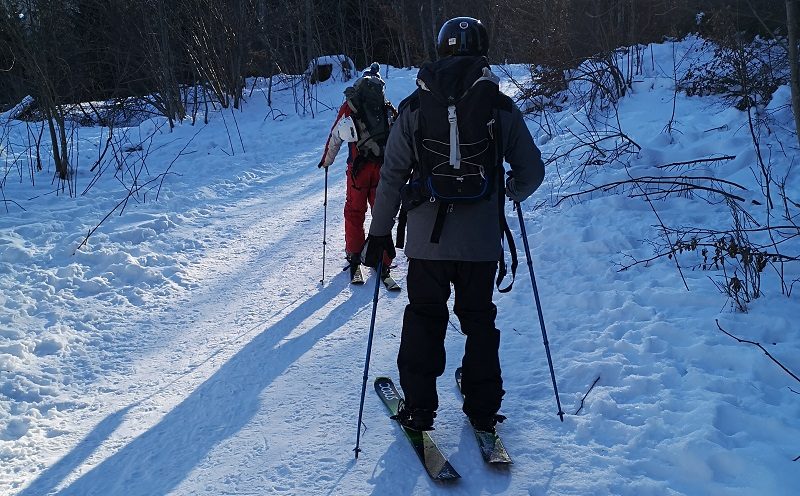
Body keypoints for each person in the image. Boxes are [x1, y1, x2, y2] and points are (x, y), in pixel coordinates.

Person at [361, 17, 546, 433]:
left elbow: (392, 175)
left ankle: (421, 409)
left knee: (425, 317)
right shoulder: (499, 106)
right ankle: (483, 410)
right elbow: (531, 171)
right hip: (480, 242)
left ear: (440, 48)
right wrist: (510, 191)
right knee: (479, 319)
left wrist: (379, 234)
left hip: (427, 241)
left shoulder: (413, 106)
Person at [318, 63, 398, 284]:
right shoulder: (386, 107)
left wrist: (326, 160)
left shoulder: (350, 106)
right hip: (382, 170)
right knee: (381, 214)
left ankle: (355, 257)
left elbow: (336, 136)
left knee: (354, 213)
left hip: (357, 170)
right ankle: (383, 260)